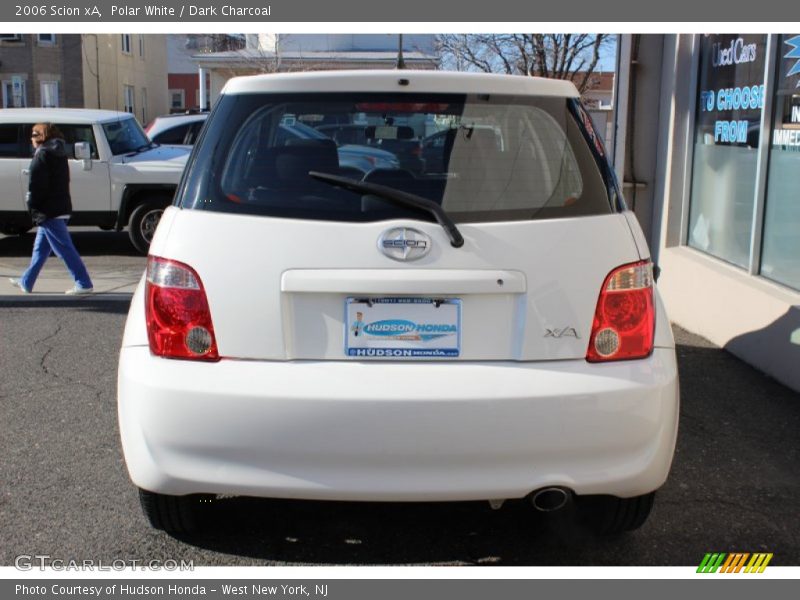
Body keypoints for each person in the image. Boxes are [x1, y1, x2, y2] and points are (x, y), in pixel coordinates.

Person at [9, 123, 93, 295]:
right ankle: (27, 281)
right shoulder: (59, 153)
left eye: (32, 136)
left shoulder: (42, 155)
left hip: (49, 210)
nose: (30, 140)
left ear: (39, 137)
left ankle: (83, 283)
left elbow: (38, 185)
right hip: (60, 206)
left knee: (64, 249)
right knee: (40, 249)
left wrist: (32, 204)